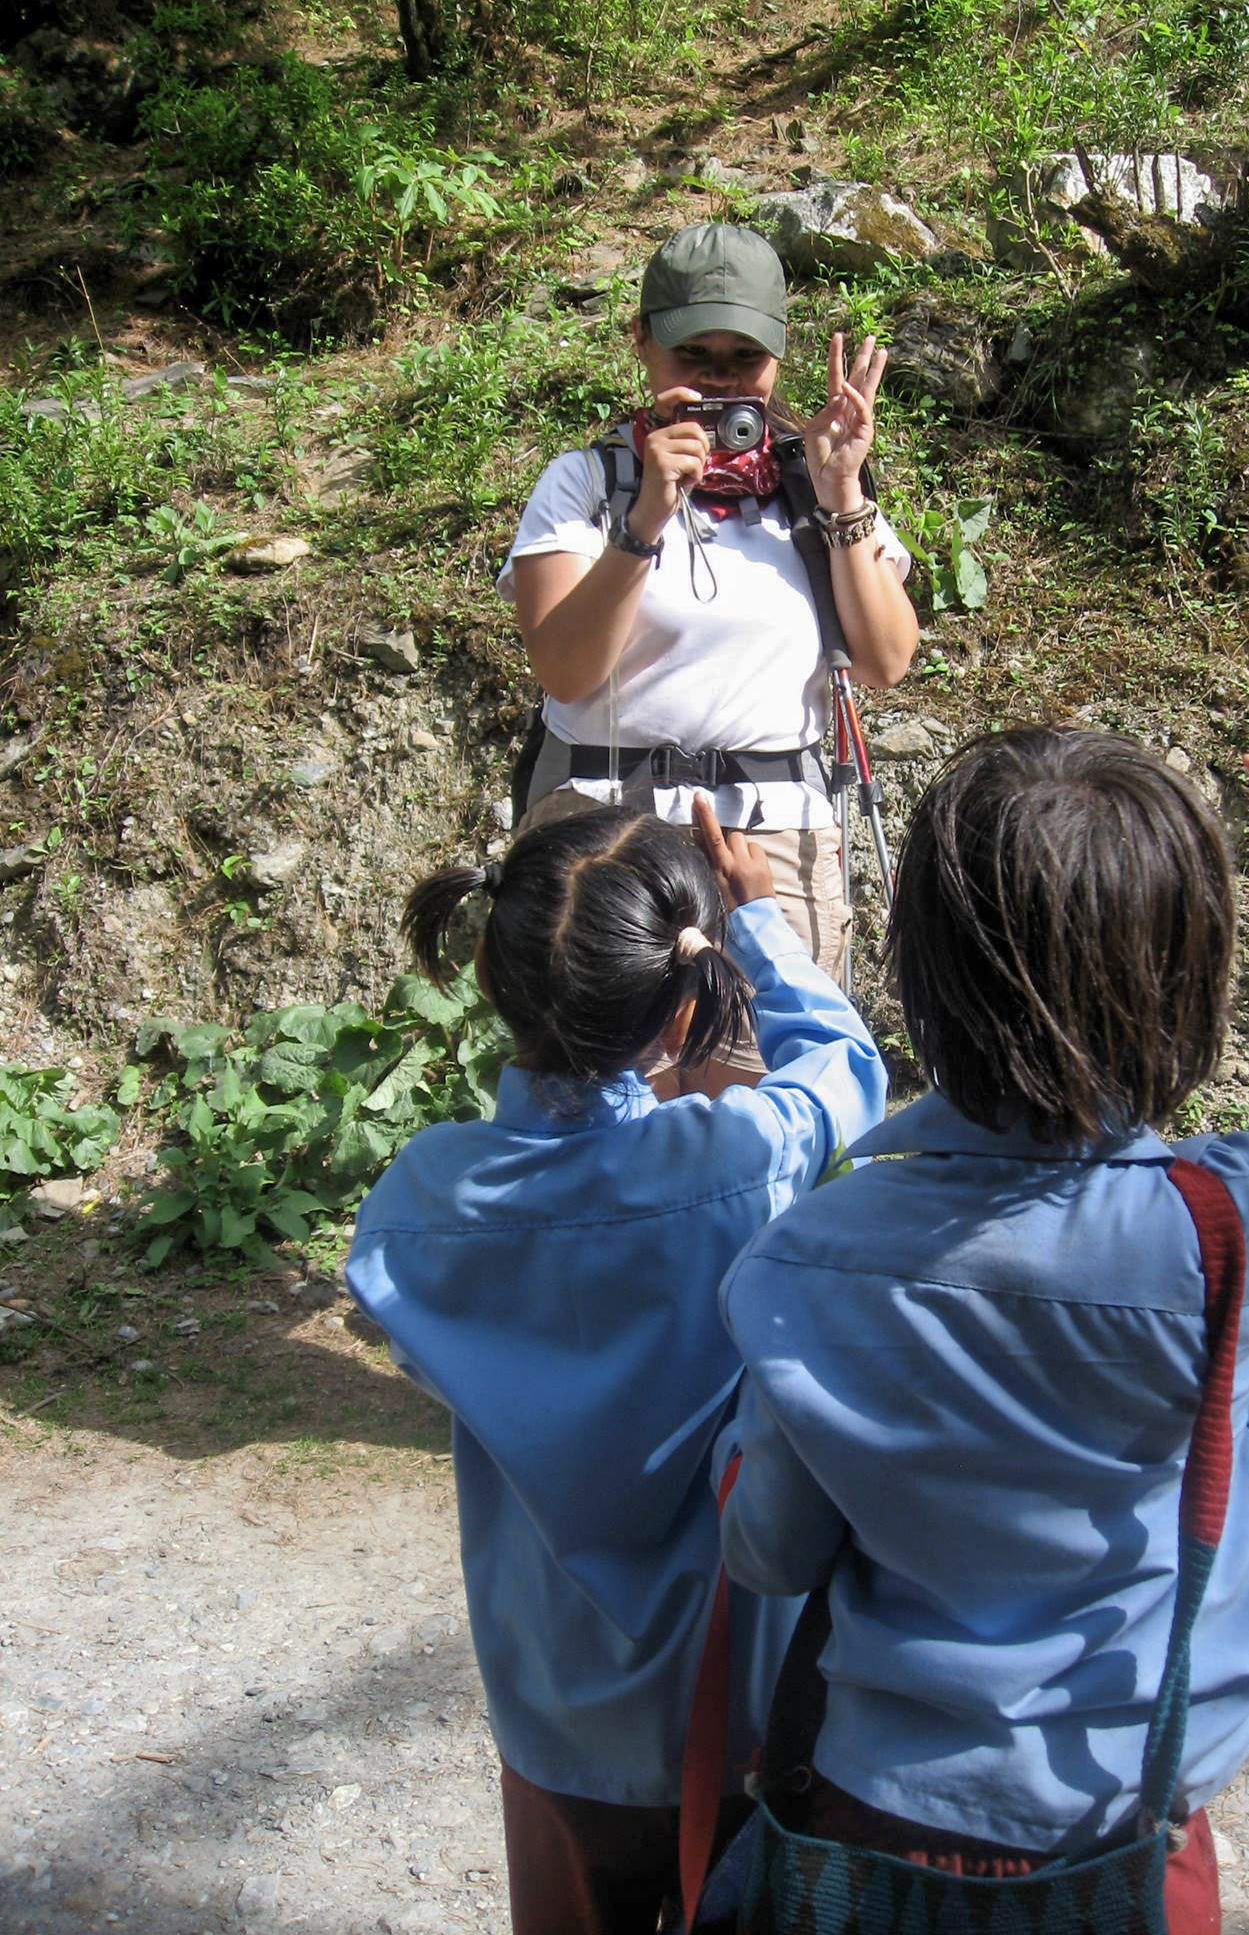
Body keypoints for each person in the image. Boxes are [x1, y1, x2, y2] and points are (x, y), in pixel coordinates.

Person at [716, 648, 1249, 1930]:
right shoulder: (1230, 1232)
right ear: (1185, 973)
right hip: (1129, 1833)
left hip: (876, 1819)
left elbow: (770, 1547)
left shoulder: (807, 1255)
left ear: (924, 971)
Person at [346, 796, 886, 1935]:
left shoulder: (423, 1201)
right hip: (727, 1695)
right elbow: (845, 1063)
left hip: (547, 1699)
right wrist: (764, 924)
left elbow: (404, 1332)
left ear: (497, 979)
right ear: (689, 994)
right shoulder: (734, 1158)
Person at [502, 220, 919, 1084]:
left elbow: (886, 659)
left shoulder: (814, 482)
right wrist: (646, 519)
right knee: (608, 1100)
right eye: (695, 352)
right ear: (642, 342)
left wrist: (843, 489)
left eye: (745, 358)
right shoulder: (587, 485)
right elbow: (566, 670)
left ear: (779, 356)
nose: (720, 380)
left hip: (773, 849)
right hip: (606, 846)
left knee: (769, 1100)